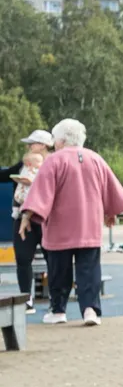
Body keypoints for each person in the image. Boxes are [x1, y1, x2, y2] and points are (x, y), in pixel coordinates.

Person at [18, 119, 123, 326]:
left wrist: (26, 217)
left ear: (60, 140)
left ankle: (59, 310)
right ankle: (90, 310)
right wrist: (110, 212)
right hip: (88, 226)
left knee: (59, 270)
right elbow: (110, 188)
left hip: (60, 228)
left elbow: (41, 194)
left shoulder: (53, 161)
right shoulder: (95, 158)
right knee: (89, 269)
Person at [2, 129, 53, 314]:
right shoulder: (25, 164)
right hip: (22, 217)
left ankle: (56, 298)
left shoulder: (55, 163)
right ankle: (26, 298)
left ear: (43, 145)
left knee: (52, 259)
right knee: (23, 259)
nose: (29, 146)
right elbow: (6, 174)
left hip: (47, 218)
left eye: (32, 143)